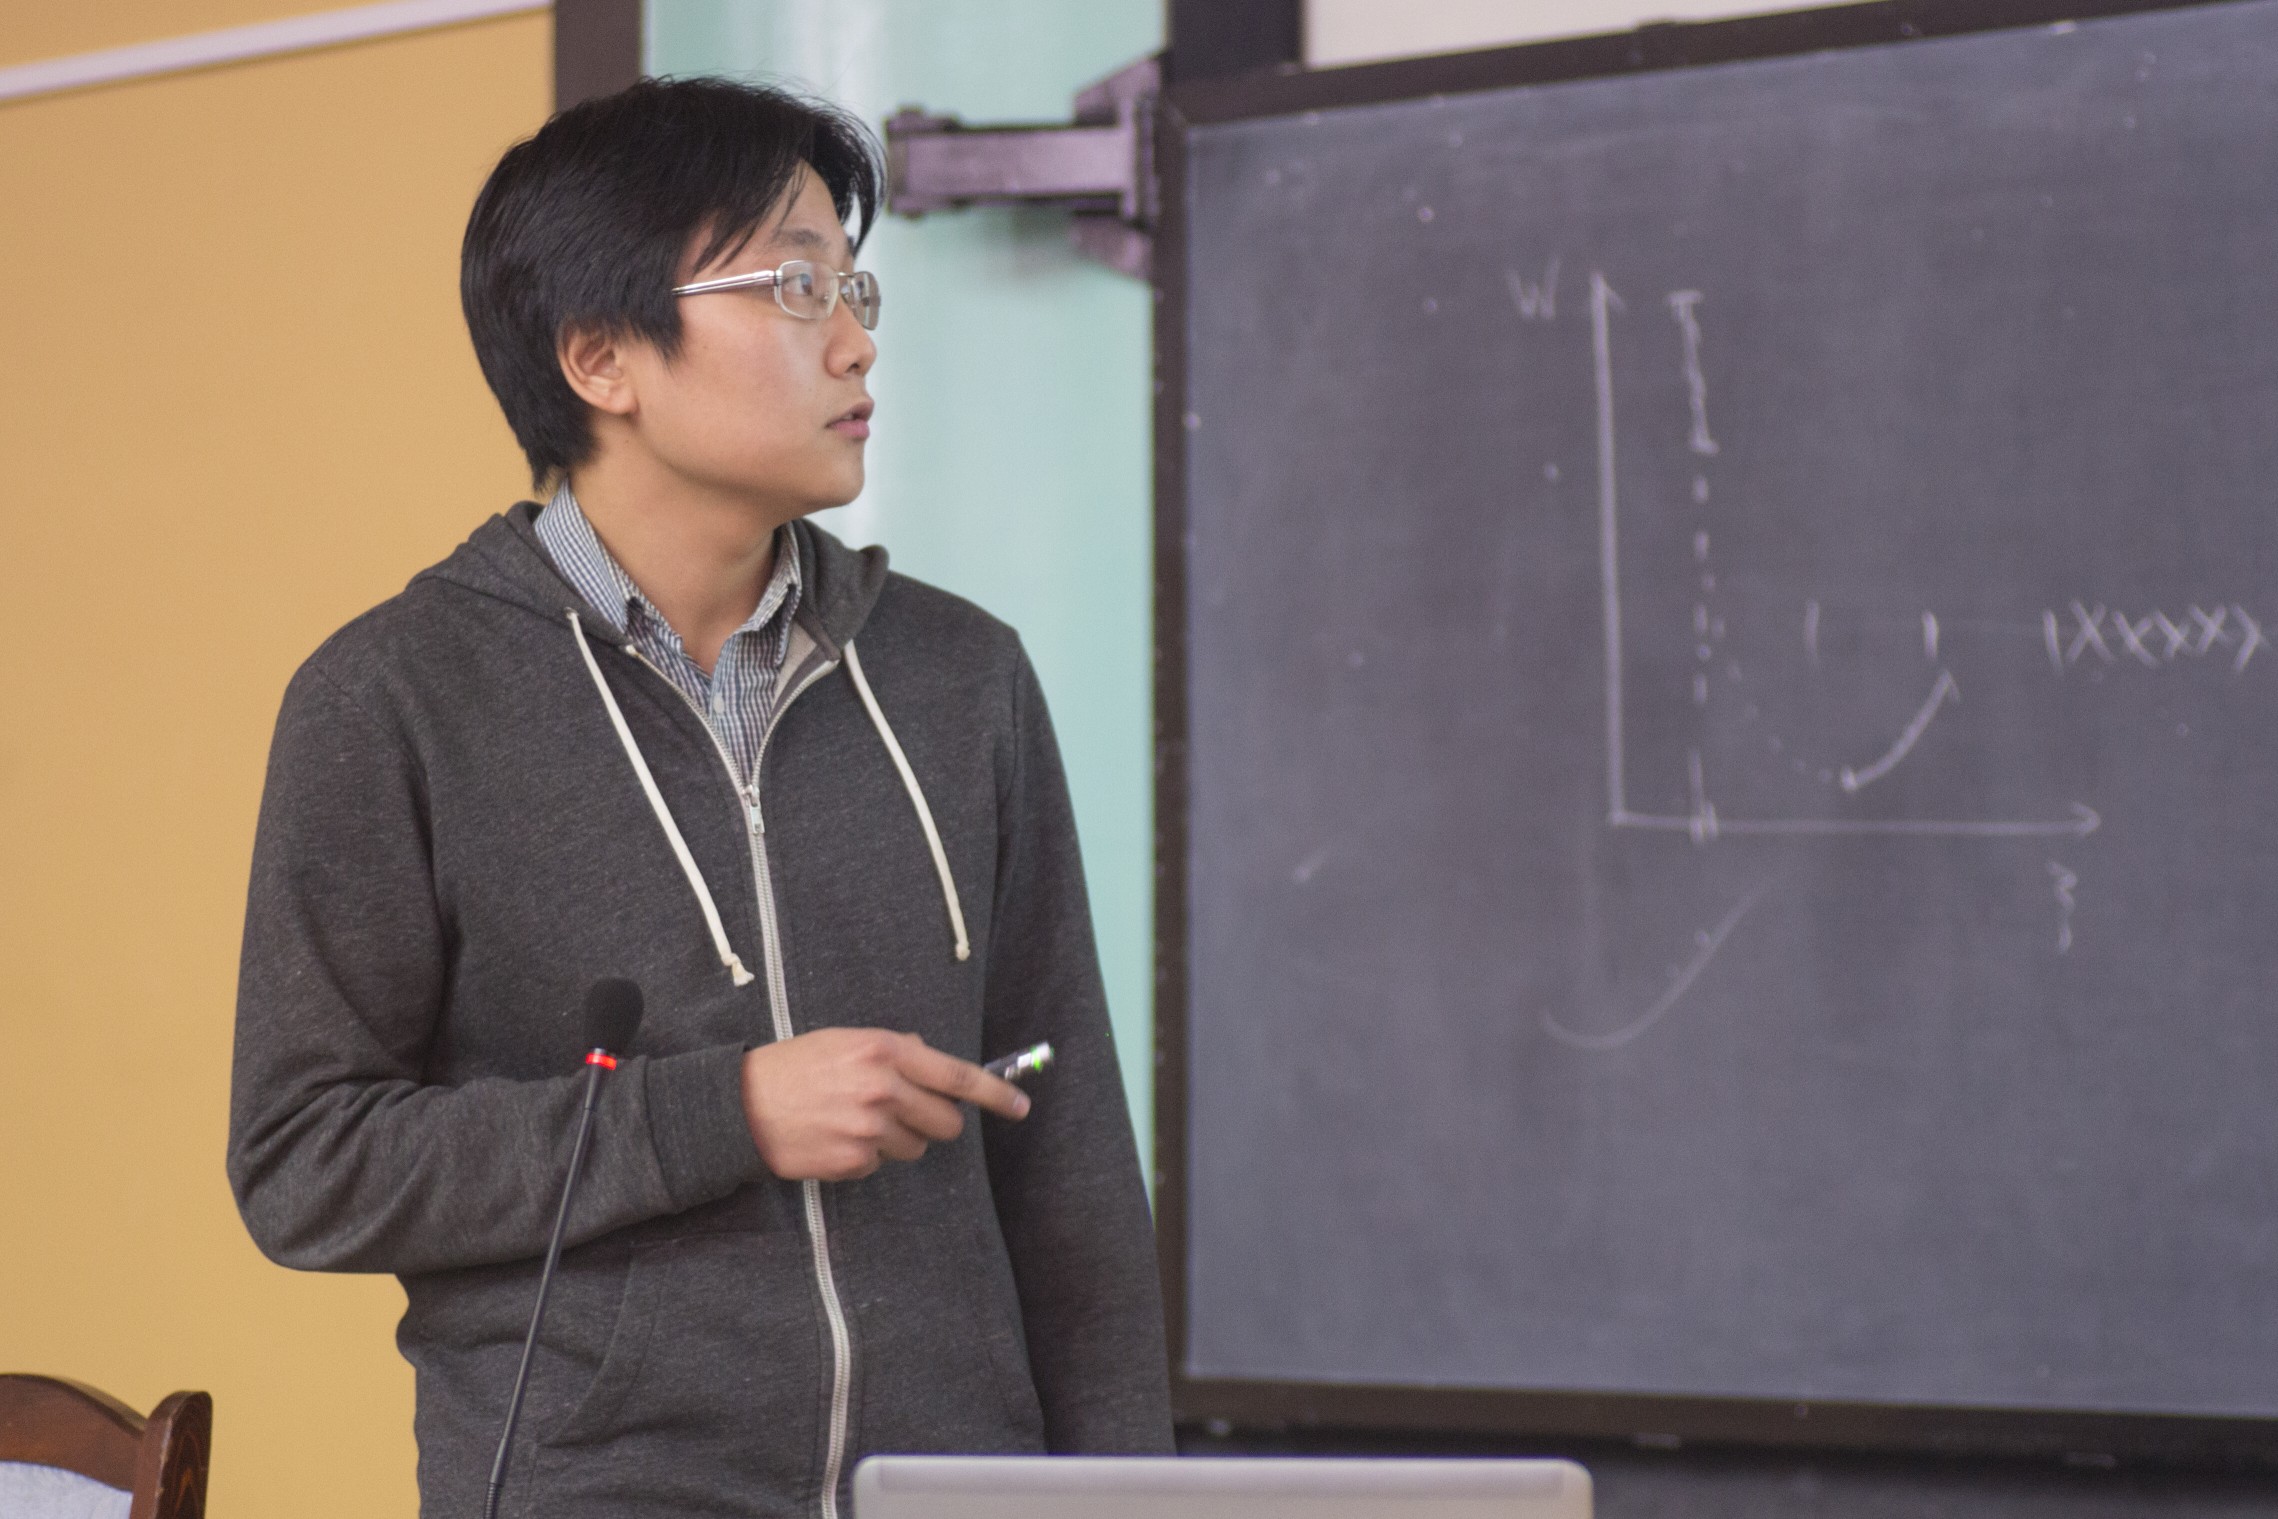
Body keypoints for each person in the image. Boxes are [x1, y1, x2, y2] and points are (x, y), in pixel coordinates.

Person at [226, 76, 1172, 1519]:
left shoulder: (960, 677)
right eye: (793, 287)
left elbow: (1072, 1158)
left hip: (956, 1488)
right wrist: (723, 1114)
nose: (855, 339)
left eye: (852, 285)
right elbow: (309, 1162)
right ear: (601, 357)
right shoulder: (393, 700)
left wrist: (1126, 1497)